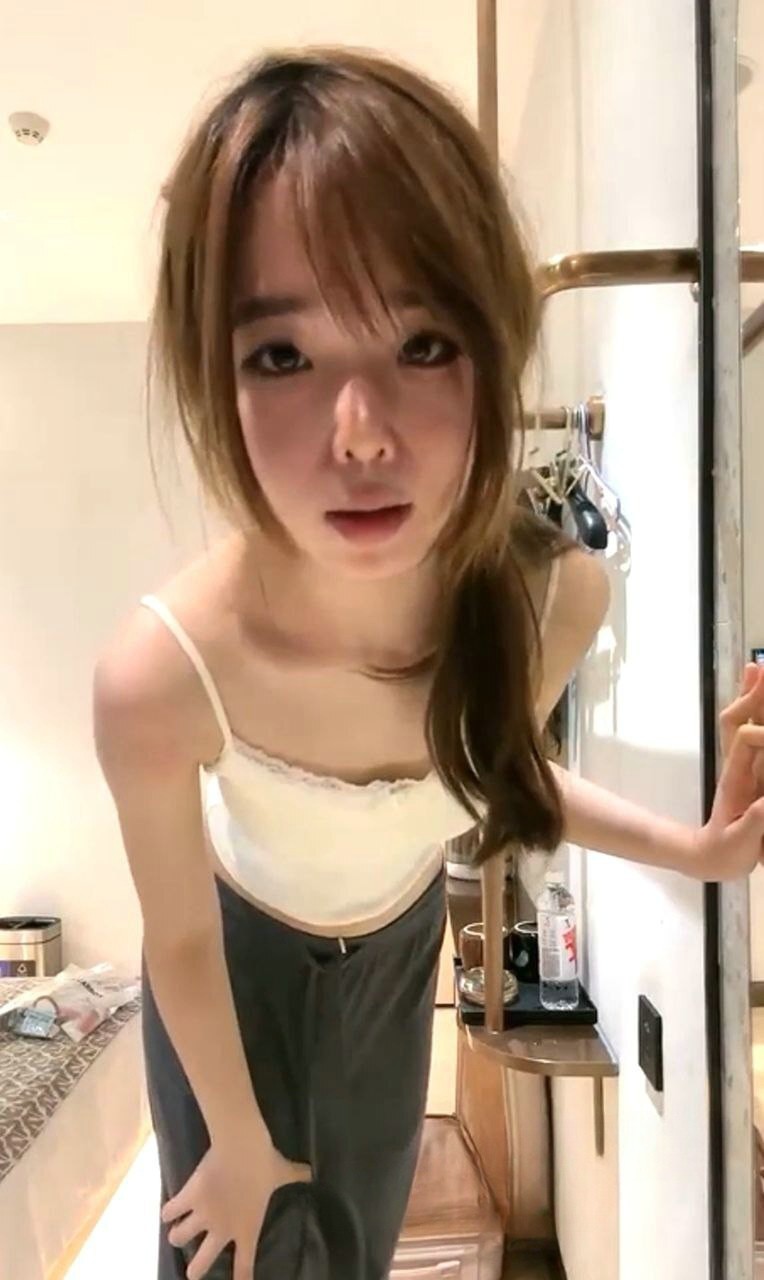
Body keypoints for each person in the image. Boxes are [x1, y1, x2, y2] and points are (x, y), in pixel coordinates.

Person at [93, 46, 764, 1280]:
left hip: (397, 951)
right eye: (282, 355)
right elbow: (179, 941)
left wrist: (698, 849)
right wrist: (234, 1139)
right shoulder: (161, 674)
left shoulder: (550, 597)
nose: (359, 434)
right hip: (232, 958)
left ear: (492, 348)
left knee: (349, 1244)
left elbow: (489, 769)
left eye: (419, 343)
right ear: (212, 376)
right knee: (235, 1250)